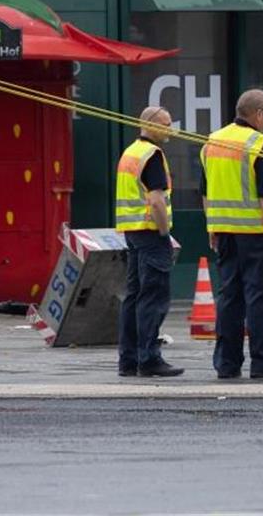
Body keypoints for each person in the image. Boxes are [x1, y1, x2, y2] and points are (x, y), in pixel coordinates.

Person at [201, 89, 263, 380]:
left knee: (229, 299)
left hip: (226, 234)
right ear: (259, 114)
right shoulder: (259, 143)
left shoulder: (212, 141)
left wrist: (212, 226)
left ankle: (227, 365)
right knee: (261, 299)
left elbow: (205, 192)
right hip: (257, 234)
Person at [115, 106, 183, 378]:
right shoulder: (152, 155)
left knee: (133, 296)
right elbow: (156, 200)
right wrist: (165, 232)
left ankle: (128, 360)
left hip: (132, 232)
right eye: (165, 124)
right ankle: (149, 358)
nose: (169, 129)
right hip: (151, 232)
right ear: (151, 125)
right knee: (153, 297)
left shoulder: (130, 152)